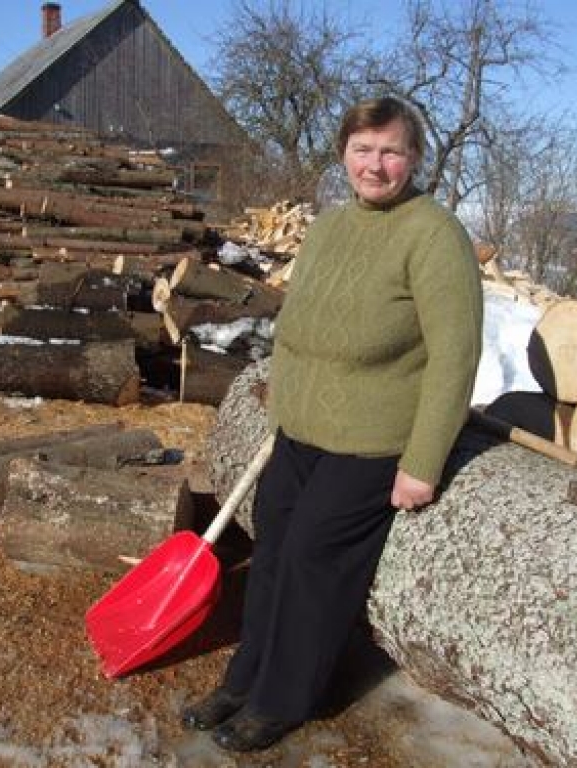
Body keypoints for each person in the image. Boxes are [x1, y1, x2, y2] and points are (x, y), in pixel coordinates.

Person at [182, 95, 483, 752]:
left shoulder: (433, 234)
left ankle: (283, 698)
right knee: (272, 554)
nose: (375, 165)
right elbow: (294, 330)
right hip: (301, 431)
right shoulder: (328, 227)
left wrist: (423, 462)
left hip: (373, 442)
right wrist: (282, 407)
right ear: (344, 153)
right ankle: (245, 677)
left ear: (414, 158)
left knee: (314, 562)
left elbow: (456, 354)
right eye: (363, 149)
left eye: (391, 151)